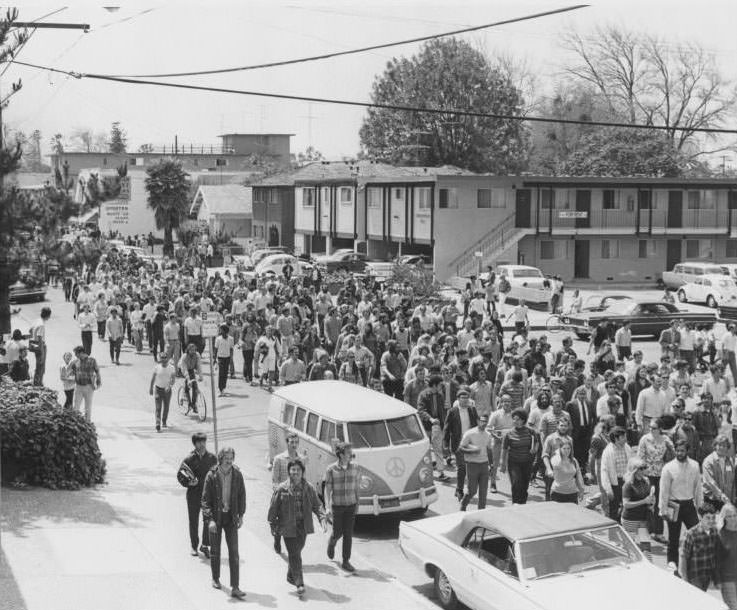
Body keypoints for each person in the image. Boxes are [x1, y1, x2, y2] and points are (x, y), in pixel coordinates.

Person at [268, 459, 326, 597]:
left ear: (302, 472)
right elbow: (273, 508)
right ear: (289, 471)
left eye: (298, 470)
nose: (295, 472)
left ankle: (290, 575)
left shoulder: (308, 487)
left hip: (303, 526)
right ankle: (299, 583)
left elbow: (317, 505)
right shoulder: (282, 488)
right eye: (293, 470)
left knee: (297, 551)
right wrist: (272, 524)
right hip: (287, 526)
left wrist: (322, 518)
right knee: (294, 554)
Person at [201, 446, 247, 599]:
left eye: (231, 458)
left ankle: (235, 587)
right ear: (220, 458)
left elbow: (242, 496)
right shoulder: (211, 475)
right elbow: (205, 501)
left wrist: (241, 515)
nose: (229, 460)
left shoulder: (237, 474)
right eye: (226, 458)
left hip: (231, 518)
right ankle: (215, 578)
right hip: (216, 518)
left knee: (234, 553)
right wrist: (210, 520)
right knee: (215, 551)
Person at [660, 439, 703, 568]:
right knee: (673, 539)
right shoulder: (668, 468)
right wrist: (663, 510)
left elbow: (698, 488)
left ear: (687, 451)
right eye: (677, 450)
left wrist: (700, 507)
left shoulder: (695, 466)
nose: (679, 453)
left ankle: (694, 566)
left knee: (697, 536)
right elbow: (664, 491)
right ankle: (672, 567)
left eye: (682, 451)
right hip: (674, 505)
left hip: (689, 505)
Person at [178, 432, 217, 558]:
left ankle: (205, 545)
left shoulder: (212, 458)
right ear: (195, 444)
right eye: (199, 442)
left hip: (207, 495)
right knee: (193, 521)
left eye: (204, 441)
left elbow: (217, 475)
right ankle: (194, 546)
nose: (202, 444)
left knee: (208, 520)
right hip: (193, 495)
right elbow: (181, 475)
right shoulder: (189, 459)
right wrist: (189, 483)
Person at [637, 417, 675, 543]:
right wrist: (641, 475)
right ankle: (647, 530)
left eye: (654, 428)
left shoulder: (666, 440)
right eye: (650, 428)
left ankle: (658, 532)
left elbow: (674, 454)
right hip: (648, 475)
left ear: (660, 429)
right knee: (648, 503)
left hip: (662, 475)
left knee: (660, 503)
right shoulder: (645, 439)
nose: (651, 430)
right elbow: (640, 457)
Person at [324, 441, 360, 573]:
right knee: (338, 532)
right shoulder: (331, 469)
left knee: (348, 534)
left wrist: (358, 503)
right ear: (340, 454)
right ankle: (332, 542)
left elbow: (356, 487)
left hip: (351, 505)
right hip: (337, 506)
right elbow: (327, 490)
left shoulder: (355, 468)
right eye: (348, 453)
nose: (351, 455)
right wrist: (327, 507)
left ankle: (346, 561)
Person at [271, 432, 309, 553]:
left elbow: (304, 478)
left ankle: (294, 551)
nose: (294, 445)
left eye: (296, 442)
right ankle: (277, 539)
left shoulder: (302, 459)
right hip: (283, 496)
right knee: (281, 522)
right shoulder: (279, 459)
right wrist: (280, 493)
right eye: (291, 442)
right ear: (287, 442)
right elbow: (275, 480)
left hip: (297, 497)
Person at [444, 387, 479, 501]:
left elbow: (477, 425)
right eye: (462, 398)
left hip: (471, 443)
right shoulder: (452, 411)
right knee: (462, 467)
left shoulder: (472, 410)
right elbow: (447, 429)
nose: (465, 400)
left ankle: (466, 489)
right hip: (458, 443)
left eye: (467, 398)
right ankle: (459, 490)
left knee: (470, 467)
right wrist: (445, 444)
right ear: (458, 399)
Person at [499, 408, 537, 505]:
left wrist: (534, 449)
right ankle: (515, 503)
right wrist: (502, 463)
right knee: (516, 483)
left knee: (525, 485)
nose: (515, 421)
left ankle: (522, 503)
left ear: (523, 420)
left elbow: (536, 443)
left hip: (527, 462)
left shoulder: (531, 431)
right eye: (514, 419)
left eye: (518, 419)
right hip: (514, 462)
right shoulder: (509, 433)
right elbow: (504, 449)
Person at [621, 457, 655, 561]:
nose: (645, 469)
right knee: (629, 547)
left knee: (646, 545)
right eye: (642, 467)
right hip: (630, 519)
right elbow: (626, 504)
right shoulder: (628, 485)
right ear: (635, 470)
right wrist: (644, 501)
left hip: (643, 518)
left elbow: (648, 498)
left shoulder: (646, 481)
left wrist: (652, 503)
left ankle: (650, 567)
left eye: (645, 467)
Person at [679, 503, 719, 591]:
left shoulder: (715, 532)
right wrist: (684, 578)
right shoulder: (691, 534)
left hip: (708, 575)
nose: (711, 521)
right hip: (695, 576)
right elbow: (683, 557)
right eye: (707, 518)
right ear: (700, 517)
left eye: (713, 518)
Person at [459, 414, 492, 511]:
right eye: (482, 421)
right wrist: (472, 451)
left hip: (484, 465)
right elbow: (460, 448)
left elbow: (489, 450)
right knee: (472, 491)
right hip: (472, 465)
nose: (484, 423)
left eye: (486, 421)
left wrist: (492, 465)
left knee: (483, 492)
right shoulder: (469, 433)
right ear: (478, 421)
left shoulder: (488, 435)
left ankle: (481, 513)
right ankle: (464, 504)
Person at [600, 426, 633, 522]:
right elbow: (604, 471)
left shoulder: (627, 447)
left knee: (627, 506)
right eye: (623, 437)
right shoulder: (608, 451)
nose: (626, 439)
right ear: (616, 438)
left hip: (626, 482)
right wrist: (608, 489)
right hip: (615, 484)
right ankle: (614, 532)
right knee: (613, 510)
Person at [702, 434, 736, 511]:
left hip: (727, 499)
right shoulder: (708, 461)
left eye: (725, 445)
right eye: (719, 445)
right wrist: (722, 496)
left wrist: (733, 498)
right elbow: (710, 482)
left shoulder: (730, 461)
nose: (722, 448)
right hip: (712, 500)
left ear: (728, 447)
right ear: (715, 446)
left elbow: (733, 481)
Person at [70, 345, 101, 422]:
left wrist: (98, 381)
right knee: (76, 406)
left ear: (81, 353)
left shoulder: (92, 360)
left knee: (88, 406)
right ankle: (75, 422)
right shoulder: (75, 362)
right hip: (78, 387)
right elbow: (72, 373)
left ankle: (87, 422)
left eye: (76, 354)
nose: (75, 355)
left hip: (89, 386)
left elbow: (97, 371)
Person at [549, 439, 584, 504]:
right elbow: (556, 463)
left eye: (568, 448)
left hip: (572, 493)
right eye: (564, 448)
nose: (566, 451)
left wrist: (581, 490)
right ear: (560, 449)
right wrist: (558, 452)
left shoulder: (574, 460)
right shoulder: (555, 459)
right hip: (557, 493)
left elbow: (579, 476)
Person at [717, 503, 737, 610]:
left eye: (734, 515)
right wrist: (718, 581)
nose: (733, 518)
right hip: (727, 580)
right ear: (724, 518)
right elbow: (717, 561)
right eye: (729, 516)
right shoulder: (720, 535)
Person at [149, 353, 176, 432]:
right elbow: (153, 378)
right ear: (160, 359)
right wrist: (150, 388)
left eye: (165, 358)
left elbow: (173, 379)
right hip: (158, 389)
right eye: (162, 358)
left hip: (167, 390)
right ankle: (158, 423)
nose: (163, 360)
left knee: (166, 406)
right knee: (158, 407)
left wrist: (169, 386)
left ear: (167, 359)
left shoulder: (171, 368)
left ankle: (164, 421)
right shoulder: (157, 367)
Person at [29, 306, 51, 386]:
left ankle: (37, 382)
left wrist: (33, 337)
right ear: (48, 315)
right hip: (40, 346)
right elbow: (40, 338)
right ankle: (38, 383)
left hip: (35, 344)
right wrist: (41, 350)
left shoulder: (37, 320)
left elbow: (30, 330)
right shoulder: (41, 325)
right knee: (41, 366)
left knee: (38, 365)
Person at [178, 343, 203, 412]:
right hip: (183, 369)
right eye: (191, 350)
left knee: (195, 387)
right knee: (187, 386)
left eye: (194, 350)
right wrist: (188, 379)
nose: (193, 351)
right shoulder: (184, 357)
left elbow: (199, 366)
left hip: (191, 369)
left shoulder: (197, 355)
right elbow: (184, 369)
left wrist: (201, 376)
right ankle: (189, 403)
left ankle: (194, 404)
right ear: (188, 350)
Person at [214, 324, 234, 397]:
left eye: (221, 330)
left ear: (225, 331)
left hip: (227, 357)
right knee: (221, 373)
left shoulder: (231, 339)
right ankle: (220, 388)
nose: (220, 331)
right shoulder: (218, 339)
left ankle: (223, 388)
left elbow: (231, 349)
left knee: (225, 373)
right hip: (220, 358)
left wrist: (231, 357)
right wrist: (214, 358)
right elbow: (216, 349)